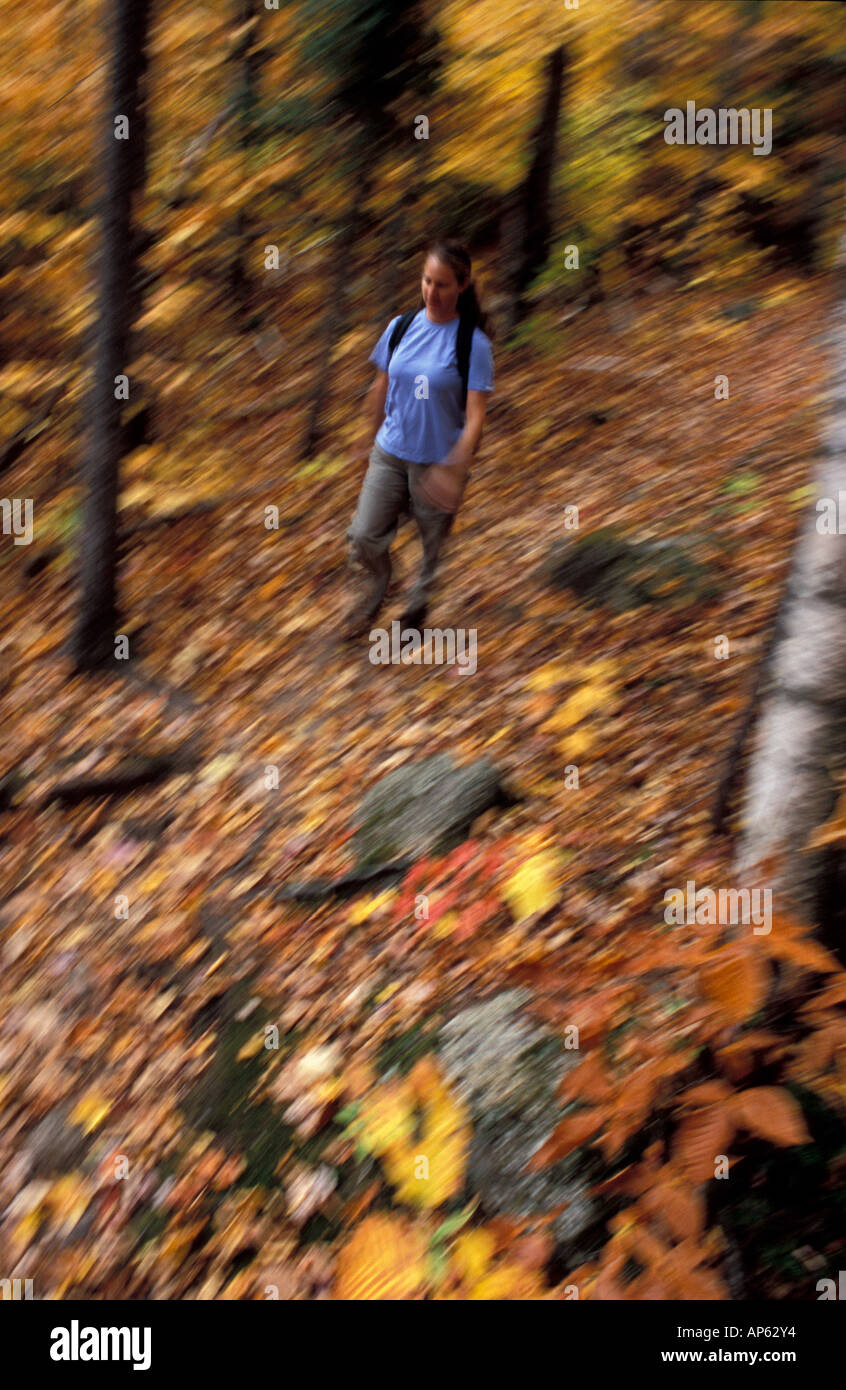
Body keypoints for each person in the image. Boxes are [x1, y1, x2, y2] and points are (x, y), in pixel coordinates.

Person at [342, 238, 494, 640]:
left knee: (431, 546)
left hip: (438, 460)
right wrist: (365, 439)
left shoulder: (472, 344)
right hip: (390, 451)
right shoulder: (401, 327)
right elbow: (380, 385)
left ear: (462, 285)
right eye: (427, 281)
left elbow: (476, 415)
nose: (431, 292)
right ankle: (378, 587)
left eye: (442, 284)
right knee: (363, 535)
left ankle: (416, 608)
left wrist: (455, 468)